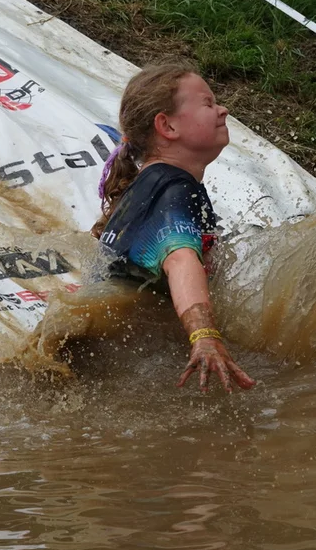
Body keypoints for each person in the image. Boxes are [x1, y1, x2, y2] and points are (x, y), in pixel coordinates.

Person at [90, 63, 255, 394]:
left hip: (103, 354)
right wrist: (204, 336)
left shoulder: (148, 185)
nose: (223, 110)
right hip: (121, 363)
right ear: (167, 126)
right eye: (208, 103)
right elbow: (179, 258)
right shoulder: (175, 188)